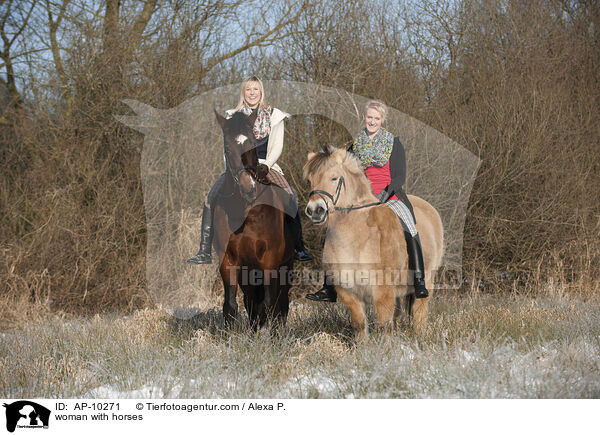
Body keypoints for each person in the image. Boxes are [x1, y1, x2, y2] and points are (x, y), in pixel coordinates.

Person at [306, 99, 428, 302]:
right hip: (361, 199)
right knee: (332, 229)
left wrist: (383, 195)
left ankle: (418, 281)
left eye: (376, 118)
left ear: (382, 119)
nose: (372, 121)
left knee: (410, 229)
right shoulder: (354, 146)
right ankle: (328, 288)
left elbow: (400, 176)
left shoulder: (394, 143)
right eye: (369, 117)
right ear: (364, 117)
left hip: (390, 195)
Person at [187, 76, 312, 265]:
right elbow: (227, 149)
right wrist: (231, 171)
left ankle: (298, 247)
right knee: (210, 197)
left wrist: (267, 164)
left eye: (255, 89)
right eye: (248, 89)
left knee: (290, 195)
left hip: (265, 164)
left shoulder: (275, 116)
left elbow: (278, 145)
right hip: (237, 169)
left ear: (261, 92)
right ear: (243, 93)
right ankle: (204, 250)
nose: (252, 93)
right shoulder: (232, 117)